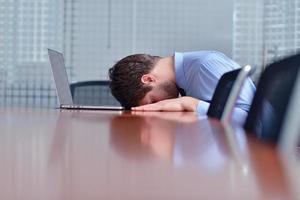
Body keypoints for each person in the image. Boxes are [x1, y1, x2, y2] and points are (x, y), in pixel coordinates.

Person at [108, 51, 256, 115]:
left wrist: (191, 104)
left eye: (153, 101)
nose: (159, 105)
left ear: (148, 79)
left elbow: (253, 119)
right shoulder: (187, 77)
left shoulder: (204, 66)